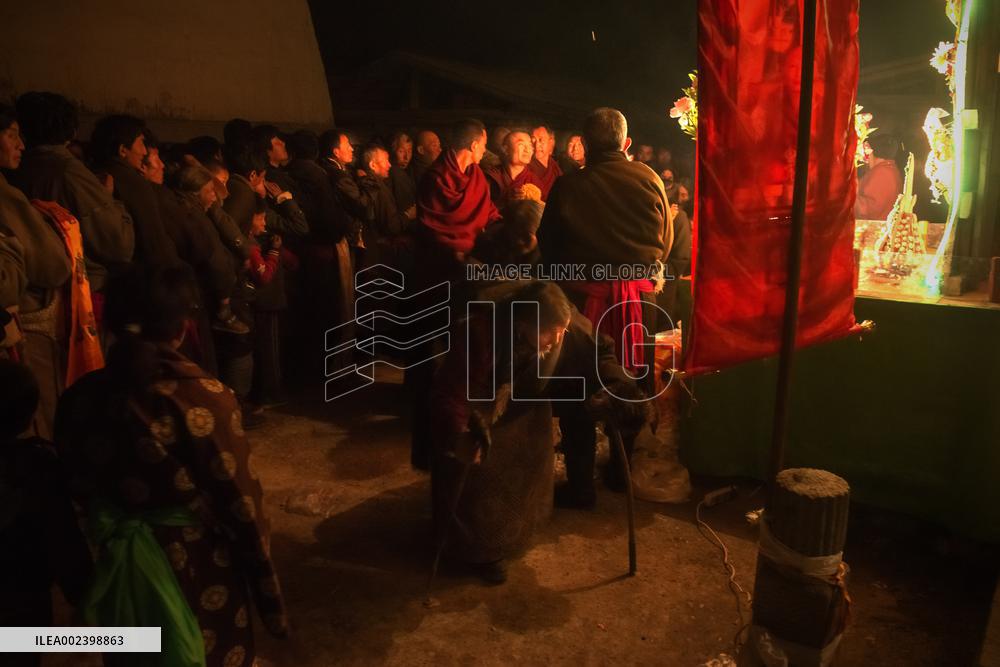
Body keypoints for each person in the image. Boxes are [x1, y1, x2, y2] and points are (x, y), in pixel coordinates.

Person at [55, 264, 288, 667]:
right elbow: (243, 507)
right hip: (198, 567)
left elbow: (75, 490)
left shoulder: (79, 398)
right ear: (182, 327)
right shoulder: (205, 399)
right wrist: (270, 600)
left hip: (118, 566)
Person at [430, 280, 648, 581]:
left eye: (562, 331)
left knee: (528, 466)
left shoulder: (562, 320)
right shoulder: (481, 331)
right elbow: (452, 394)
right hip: (477, 407)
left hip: (524, 401)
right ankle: (479, 551)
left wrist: (617, 386)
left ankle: (517, 528)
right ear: (523, 322)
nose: (557, 338)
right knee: (477, 482)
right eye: (550, 332)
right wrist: (460, 435)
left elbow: (600, 350)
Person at [537, 107, 673, 376]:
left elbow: (548, 246)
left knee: (580, 387)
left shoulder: (567, 186)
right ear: (626, 143)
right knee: (633, 393)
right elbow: (665, 243)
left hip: (580, 300)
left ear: (585, 144)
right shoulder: (649, 178)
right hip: (639, 299)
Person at [0, 359, 92, 665]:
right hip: (21, 606)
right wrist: (83, 595)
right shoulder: (36, 466)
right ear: (28, 415)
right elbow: (61, 537)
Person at [13, 92, 134, 299]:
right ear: (71, 130)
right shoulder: (69, 172)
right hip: (79, 292)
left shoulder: (17, 169)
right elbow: (118, 244)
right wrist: (110, 199)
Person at [0, 104, 73, 438]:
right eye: (12, 135)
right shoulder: (7, 197)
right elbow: (52, 265)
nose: (21, 145)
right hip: (24, 330)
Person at [89, 114, 178, 267]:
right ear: (123, 150)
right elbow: (153, 240)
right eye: (141, 143)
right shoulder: (133, 183)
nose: (144, 152)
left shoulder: (92, 175)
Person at [357, 143, 415, 272]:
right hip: (380, 254)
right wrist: (408, 215)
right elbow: (391, 226)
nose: (389, 165)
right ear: (373, 165)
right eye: (385, 161)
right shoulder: (378, 189)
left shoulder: (366, 183)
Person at [484, 129, 543, 208]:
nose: (527, 150)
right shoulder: (491, 177)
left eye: (530, 146)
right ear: (505, 149)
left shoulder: (534, 181)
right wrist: (506, 201)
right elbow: (482, 208)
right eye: (521, 145)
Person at [855, 134, 903, 221]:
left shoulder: (883, 173)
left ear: (873, 151)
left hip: (874, 228)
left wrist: (847, 197)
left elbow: (868, 209)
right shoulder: (888, 169)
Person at [528, 125, 563, 200]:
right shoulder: (526, 166)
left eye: (541, 140)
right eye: (533, 140)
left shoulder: (555, 166)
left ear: (551, 142)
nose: (536, 145)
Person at [388, 131, 417, 211]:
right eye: (401, 151)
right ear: (393, 151)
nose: (406, 157)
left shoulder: (410, 170)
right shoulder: (394, 173)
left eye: (409, 151)